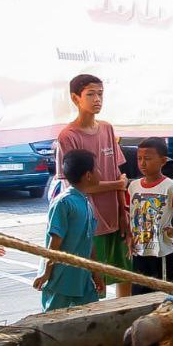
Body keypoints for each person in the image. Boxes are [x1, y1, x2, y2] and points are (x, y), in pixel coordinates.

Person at [53, 74, 131, 297]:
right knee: (96, 283)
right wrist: (118, 183)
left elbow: (117, 172)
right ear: (75, 98)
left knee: (124, 274)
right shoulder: (68, 136)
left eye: (100, 94)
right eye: (91, 94)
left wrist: (122, 212)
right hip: (88, 220)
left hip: (115, 218)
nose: (97, 99)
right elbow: (81, 186)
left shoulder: (107, 129)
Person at [33, 149, 105, 312]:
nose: (100, 172)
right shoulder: (63, 203)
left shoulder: (86, 202)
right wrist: (46, 273)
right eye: (97, 169)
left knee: (90, 318)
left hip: (83, 279)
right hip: (61, 279)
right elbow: (55, 242)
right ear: (88, 175)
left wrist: (96, 273)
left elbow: (89, 240)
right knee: (54, 322)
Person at [125, 138, 173, 295]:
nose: (142, 163)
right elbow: (128, 212)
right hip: (139, 249)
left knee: (163, 292)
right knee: (139, 290)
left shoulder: (170, 187)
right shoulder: (133, 186)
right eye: (139, 159)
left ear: (163, 161)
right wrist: (129, 236)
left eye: (148, 159)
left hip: (162, 251)